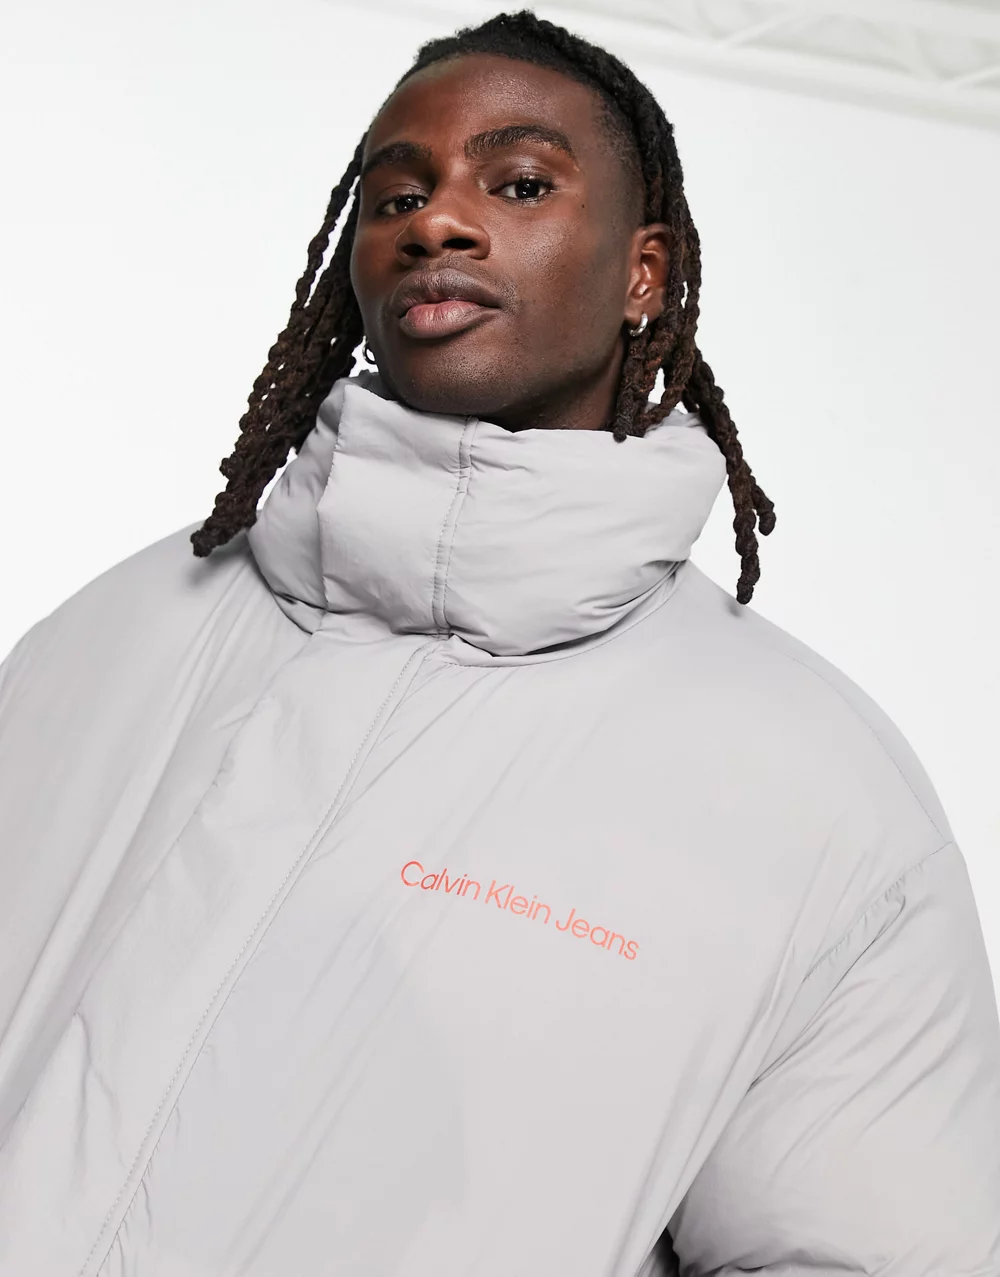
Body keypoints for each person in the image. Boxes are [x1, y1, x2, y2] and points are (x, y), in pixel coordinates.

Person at [0, 9, 997, 1275]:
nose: (437, 223)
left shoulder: (815, 791)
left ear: (643, 273)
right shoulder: (121, 626)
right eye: (396, 196)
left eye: (518, 183)